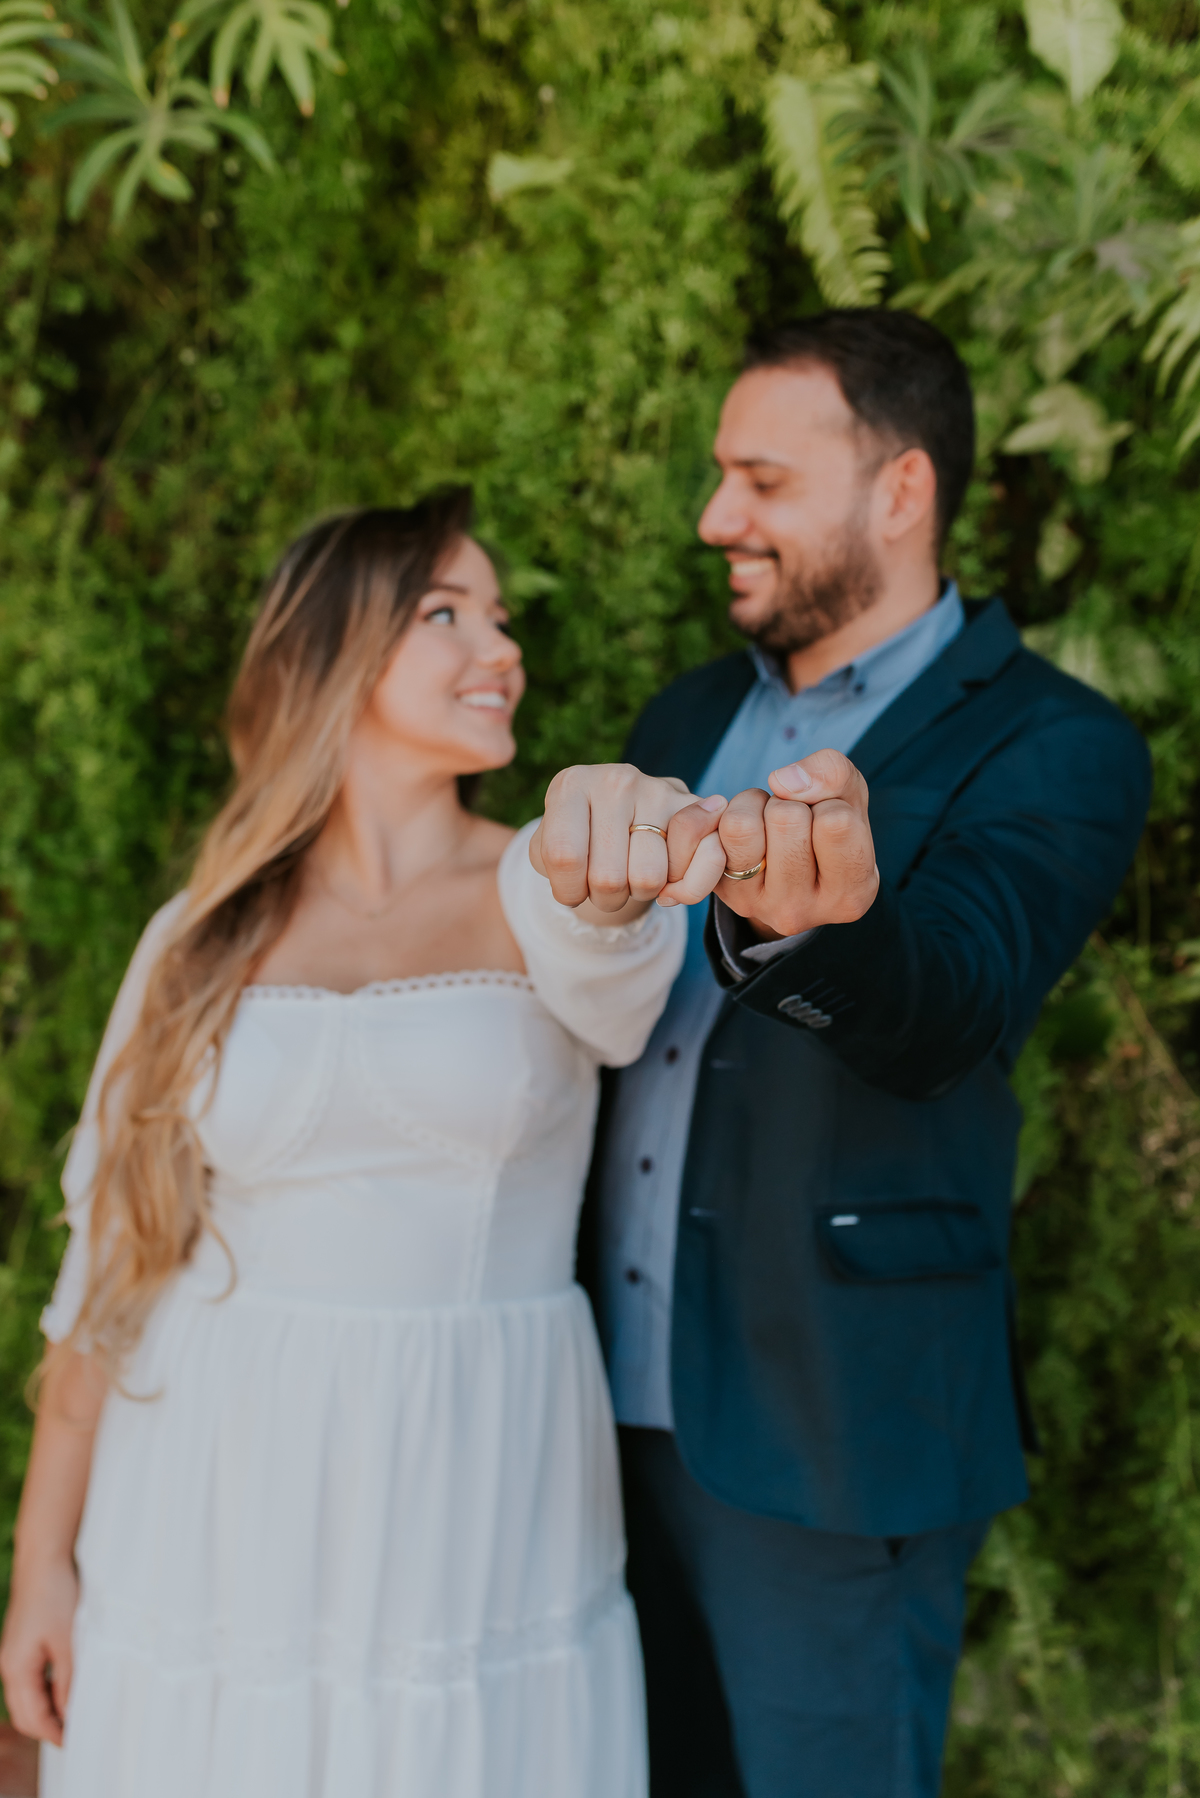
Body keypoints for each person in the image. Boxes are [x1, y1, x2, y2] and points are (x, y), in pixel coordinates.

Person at [0, 492, 733, 1798]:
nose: (498, 646)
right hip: (206, 1483)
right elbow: (110, 1266)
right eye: (445, 611)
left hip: (468, 1481)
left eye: (501, 616)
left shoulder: (543, 882)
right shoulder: (200, 931)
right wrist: (40, 1560)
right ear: (329, 651)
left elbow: (619, 977)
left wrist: (618, 868)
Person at [568, 309, 1154, 1798]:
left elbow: (955, 996)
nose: (717, 518)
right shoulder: (687, 715)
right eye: (721, 476)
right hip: (595, 1412)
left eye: (761, 480)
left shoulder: (1054, 743)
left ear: (900, 490)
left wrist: (811, 931)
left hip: (830, 1433)